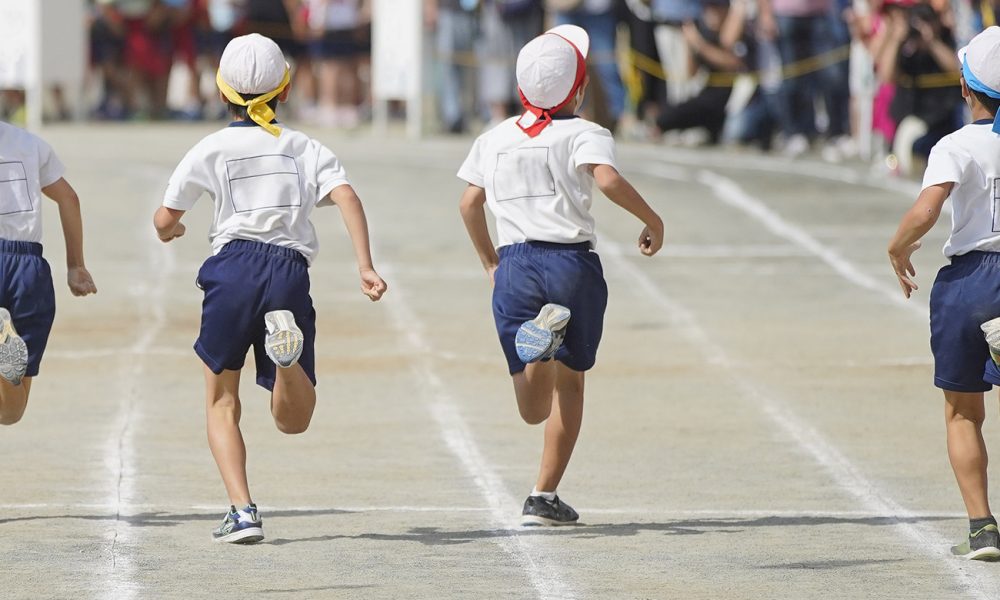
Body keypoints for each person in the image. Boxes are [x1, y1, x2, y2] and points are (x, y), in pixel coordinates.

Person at [153, 33, 387, 543]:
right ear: (286, 89)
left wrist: (170, 229)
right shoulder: (304, 146)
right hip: (288, 270)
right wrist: (365, 265)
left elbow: (165, 216)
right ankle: (285, 360)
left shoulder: (211, 146)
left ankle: (241, 511)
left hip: (231, 268)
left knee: (221, 401)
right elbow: (346, 196)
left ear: (221, 94)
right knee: (293, 420)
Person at [457, 25, 664, 526]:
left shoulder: (494, 138)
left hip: (515, 265)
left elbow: (468, 203)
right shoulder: (586, 133)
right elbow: (607, 179)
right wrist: (651, 219)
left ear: (520, 87)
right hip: (572, 264)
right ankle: (543, 495)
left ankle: (540, 350)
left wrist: (489, 260)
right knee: (570, 386)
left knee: (531, 405)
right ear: (580, 88)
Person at [887, 26, 1000, 561]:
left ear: (964, 87)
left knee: (963, 413)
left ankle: (982, 528)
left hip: (971, 278)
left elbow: (927, 211)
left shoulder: (955, 145)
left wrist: (898, 246)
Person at [0, 124, 98, 425]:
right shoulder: (29, 144)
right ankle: (5, 354)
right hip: (27, 268)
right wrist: (75, 266)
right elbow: (69, 199)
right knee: (11, 413)